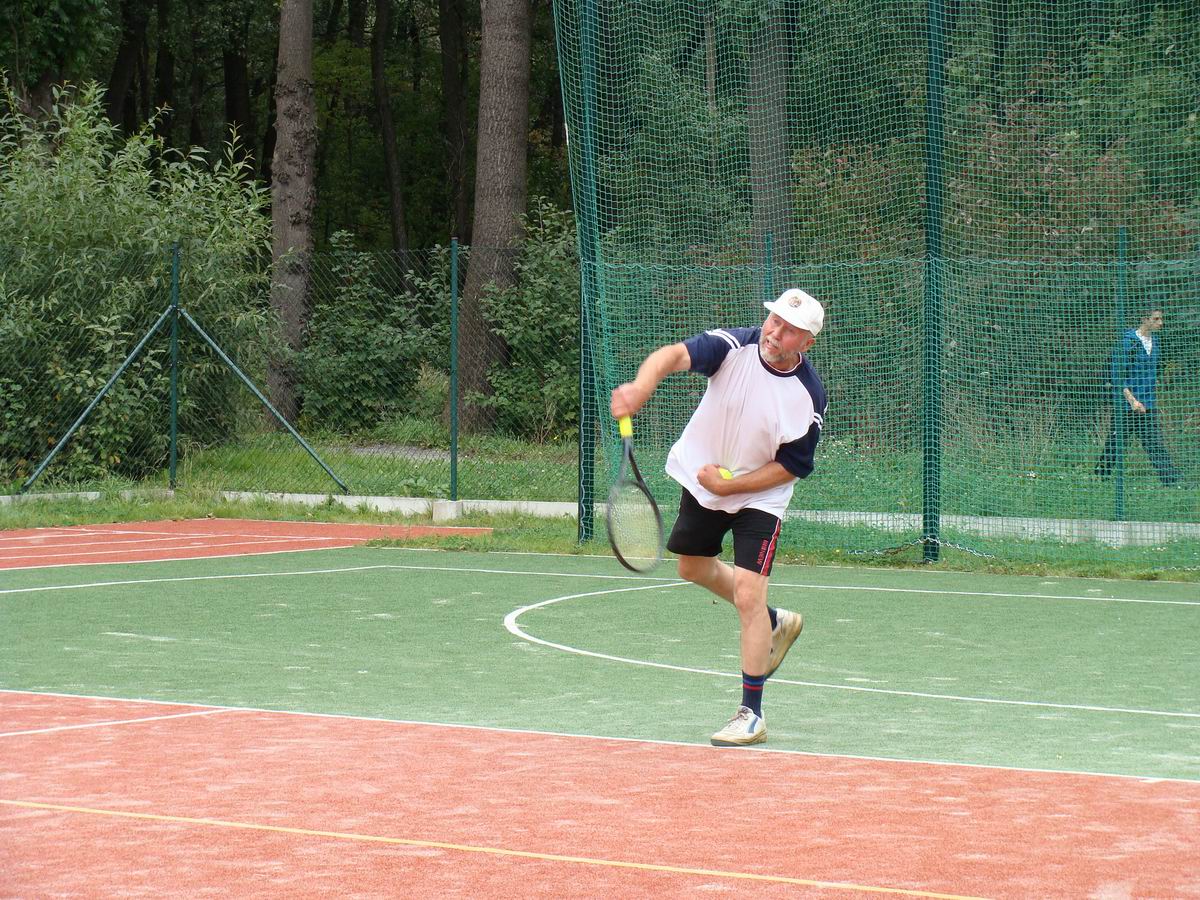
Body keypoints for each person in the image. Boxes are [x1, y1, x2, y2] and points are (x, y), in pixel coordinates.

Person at [609, 288, 828, 747]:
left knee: (747, 594)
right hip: (703, 478)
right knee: (691, 568)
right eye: (774, 321)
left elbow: (790, 467)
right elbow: (672, 355)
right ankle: (774, 621)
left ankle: (751, 714)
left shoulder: (808, 396)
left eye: (790, 330)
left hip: (760, 498)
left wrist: (731, 487)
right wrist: (642, 387)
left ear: (807, 343)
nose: (776, 332)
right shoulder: (733, 346)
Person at [1095, 307, 1180, 486]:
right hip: (1127, 406)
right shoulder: (1128, 343)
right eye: (1156, 319)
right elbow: (1117, 376)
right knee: (1116, 443)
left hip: (1147, 405)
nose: (1160, 323)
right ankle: (1099, 477)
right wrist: (1132, 401)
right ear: (1144, 319)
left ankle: (1172, 482)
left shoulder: (1155, 342)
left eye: (1161, 319)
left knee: (1154, 443)